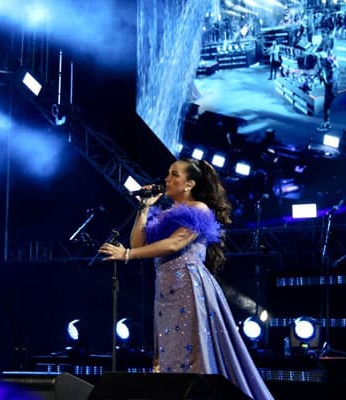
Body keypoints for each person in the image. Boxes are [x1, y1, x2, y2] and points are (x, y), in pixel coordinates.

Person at [98, 158, 274, 400]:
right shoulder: (167, 214)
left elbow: (173, 244)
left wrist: (126, 255)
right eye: (168, 173)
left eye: (174, 174)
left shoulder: (199, 209)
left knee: (192, 351)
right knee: (169, 350)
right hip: (166, 291)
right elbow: (138, 243)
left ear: (189, 184)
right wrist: (144, 208)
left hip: (188, 287)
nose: (167, 179)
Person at [317, 51, 339, 131]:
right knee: (327, 108)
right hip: (331, 90)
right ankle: (327, 123)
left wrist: (324, 78)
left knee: (326, 108)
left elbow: (329, 81)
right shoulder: (332, 68)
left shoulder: (333, 70)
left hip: (331, 91)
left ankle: (326, 124)